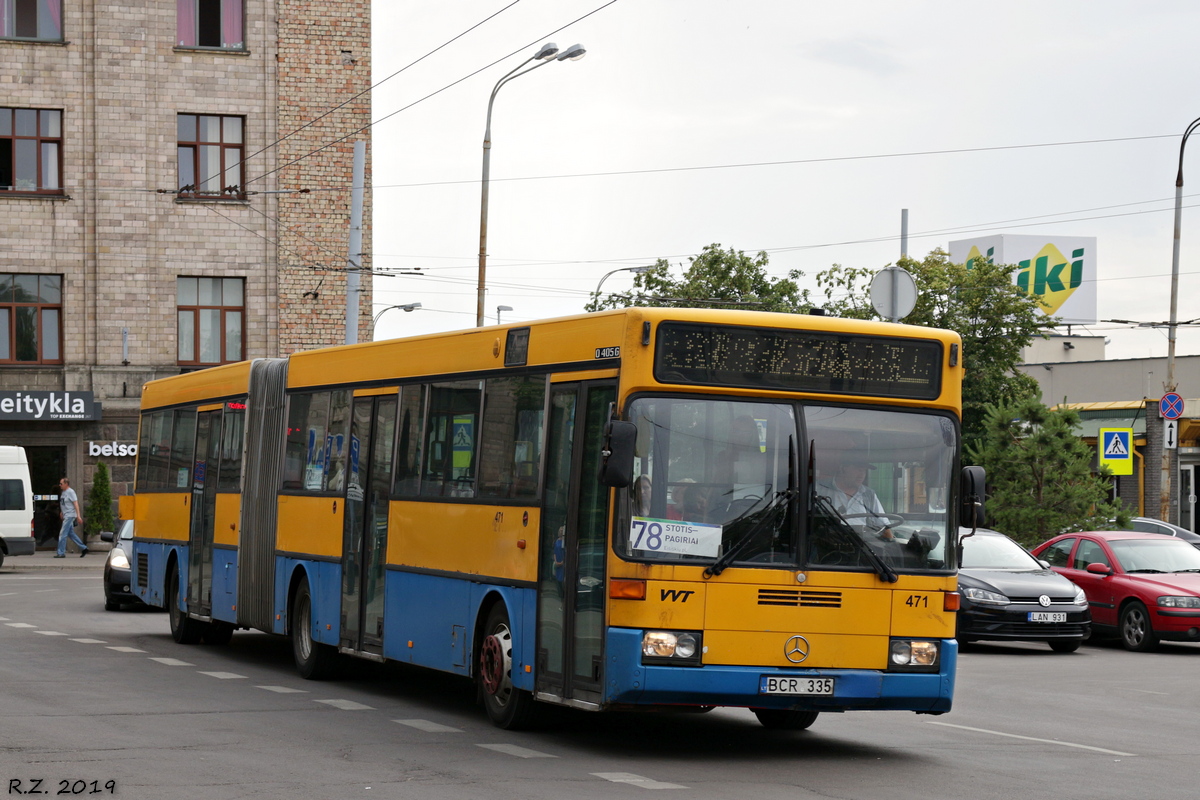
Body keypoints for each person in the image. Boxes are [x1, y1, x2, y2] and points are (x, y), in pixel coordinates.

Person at [816, 457, 893, 540]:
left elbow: (884, 526)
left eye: (864, 471)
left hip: (861, 546)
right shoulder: (819, 488)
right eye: (858, 469)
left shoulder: (868, 494)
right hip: (825, 545)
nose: (862, 475)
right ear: (843, 468)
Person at [55, 477, 88, 558]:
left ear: (66, 484)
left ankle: (61, 552)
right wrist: (62, 511)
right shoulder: (64, 492)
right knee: (70, 534)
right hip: (66, 514)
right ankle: (84, 548)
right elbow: (64, 503)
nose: (60, 485)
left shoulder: (71, 492)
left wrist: (78, 516)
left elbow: (75, 504)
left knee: (62, 534)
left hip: (70, 515)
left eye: (61, 484)